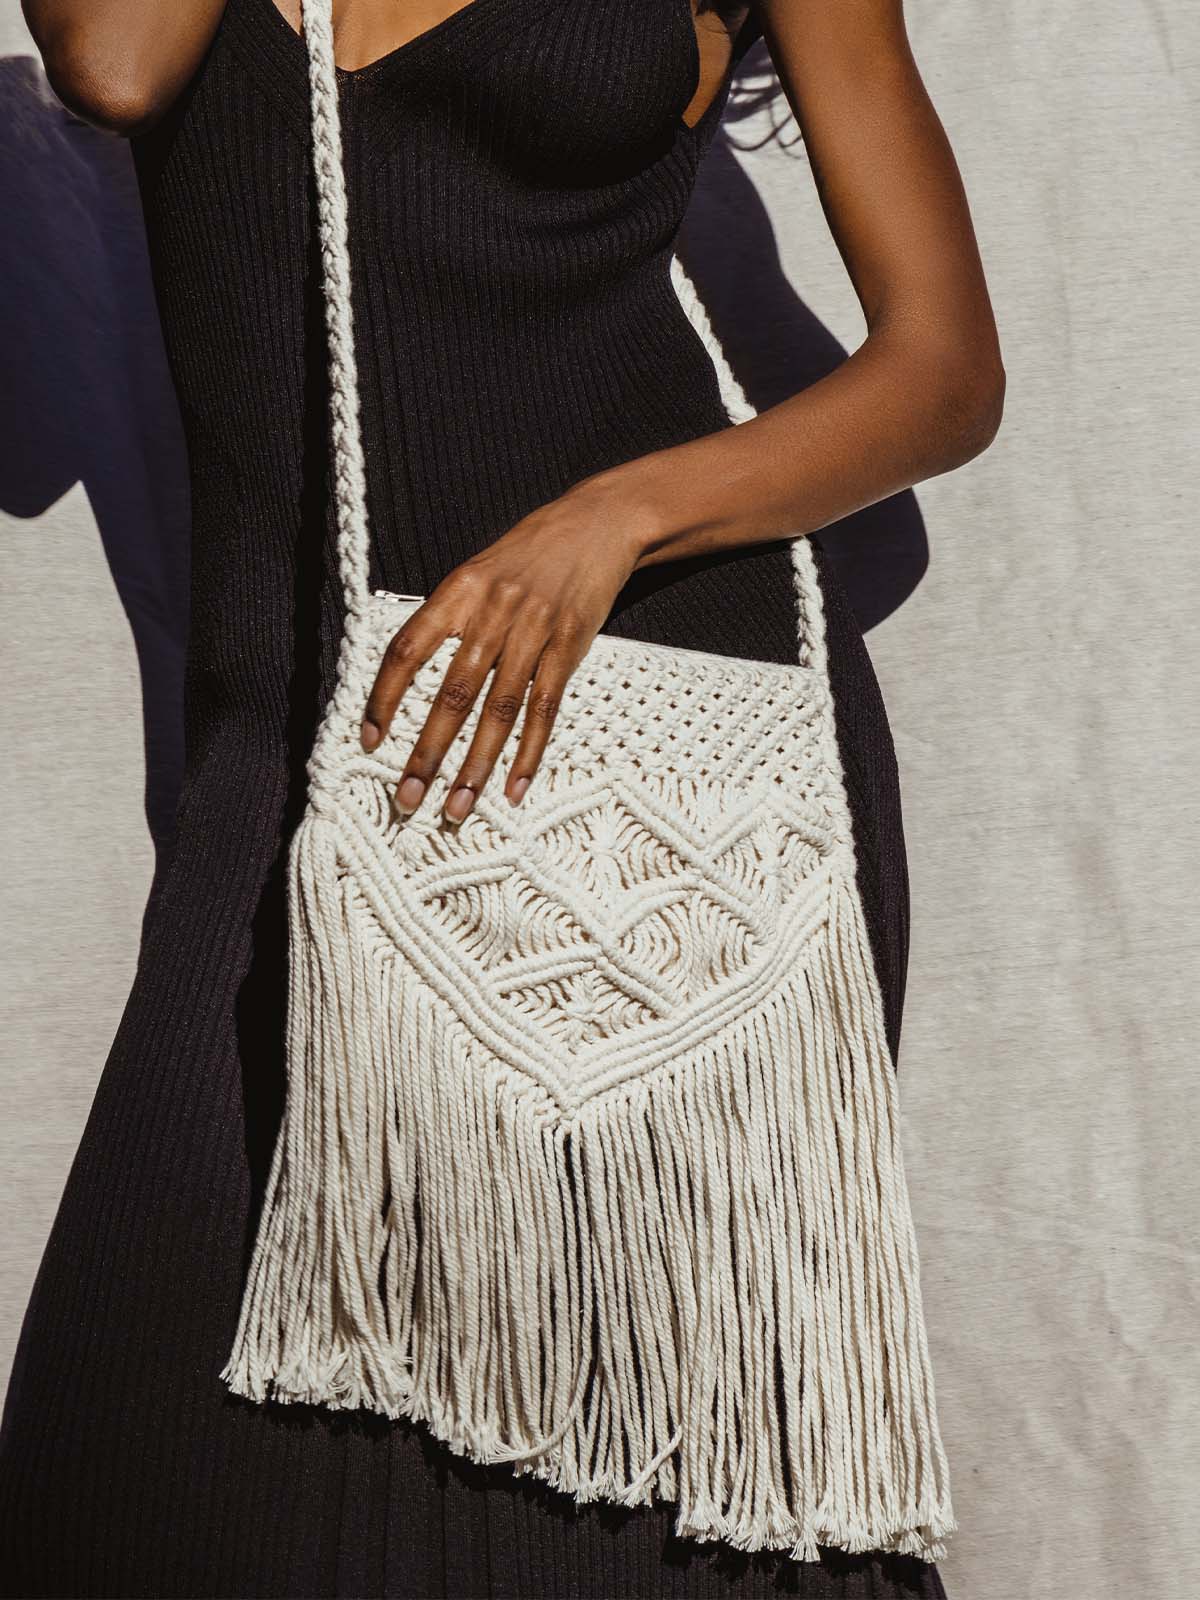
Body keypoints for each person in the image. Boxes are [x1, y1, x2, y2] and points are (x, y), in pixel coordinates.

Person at [0, 2, 1003, 1595]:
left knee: (647, 1484)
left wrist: (618, 518)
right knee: (132, 1466)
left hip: (660, 752)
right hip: (306, 752)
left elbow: (944, 372)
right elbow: (116, 63)